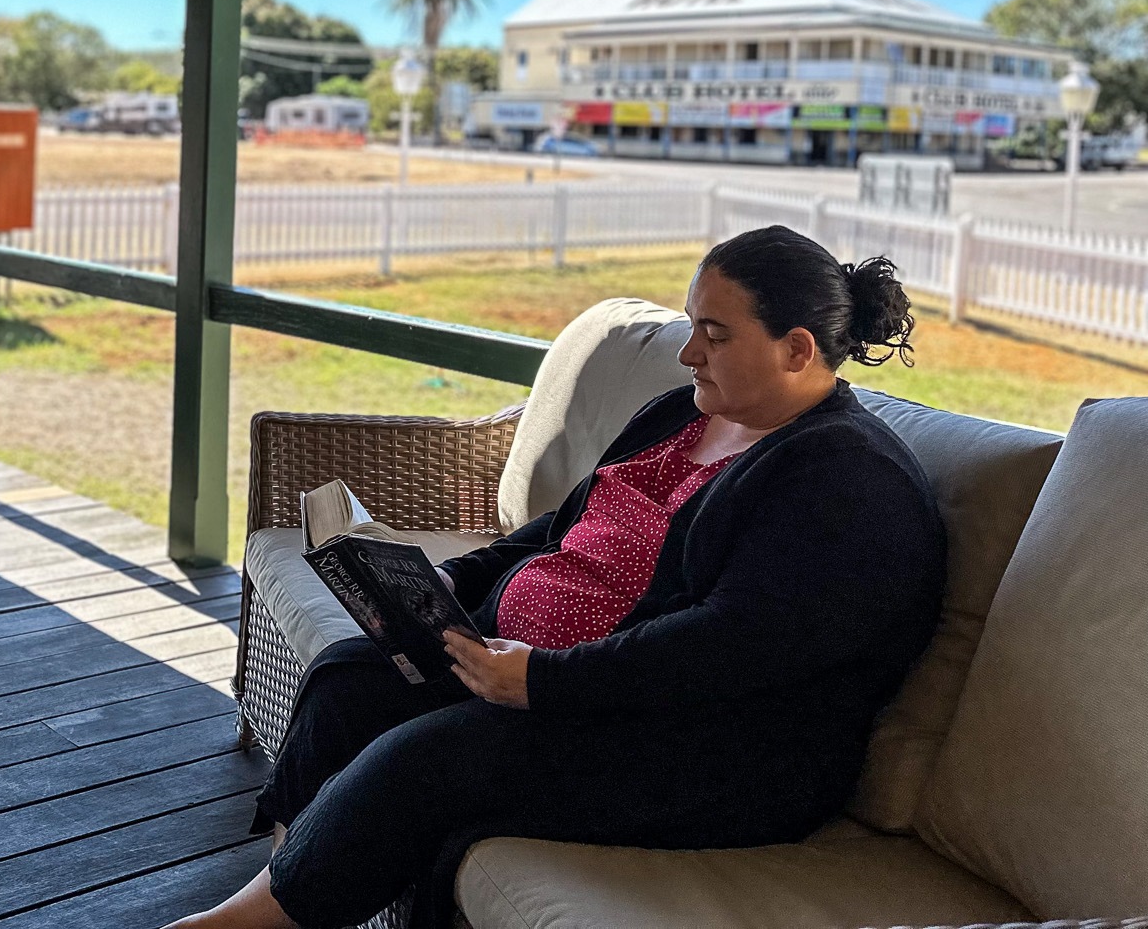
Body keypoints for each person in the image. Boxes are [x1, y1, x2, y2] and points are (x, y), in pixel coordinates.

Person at [164, 225, 946, 929]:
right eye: (690, 325)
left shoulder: (845, 481)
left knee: (432, 758)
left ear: (797, 350)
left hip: (709, 747)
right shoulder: (687, 413)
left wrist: (543, 682)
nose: (688, 352)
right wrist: (441, 585)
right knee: (351, 677)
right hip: (543, 674)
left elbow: (725, 648)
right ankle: (290, 885)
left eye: (714, 333)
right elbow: (563, 529)